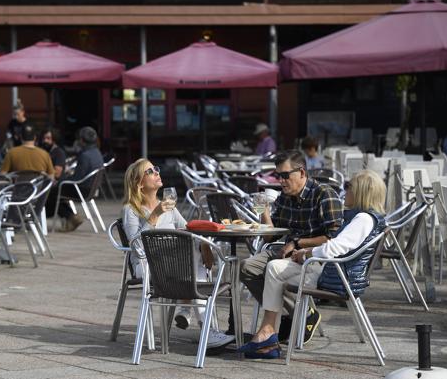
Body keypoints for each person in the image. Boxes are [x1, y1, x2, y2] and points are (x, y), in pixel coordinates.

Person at [238, 170, 386, 359]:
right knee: (274, 267)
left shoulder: (363, 219)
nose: (344, 191)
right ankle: (268, 333)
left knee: (273, 272)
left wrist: (307, 253)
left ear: (362, 192)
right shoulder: (361, 216)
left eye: (348, 186)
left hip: (337, 276)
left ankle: (268, 336)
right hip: (333, 269)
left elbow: (336, 247)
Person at [121, 158, 235, 349]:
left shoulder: (168, 207)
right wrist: (155, 215)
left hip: (175, 266)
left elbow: (189, 230)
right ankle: (207, 329)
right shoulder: (131, 210)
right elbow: (137, 247)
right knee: (194, 264)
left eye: (156, 168)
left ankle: (193, 314)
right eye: (150, 171)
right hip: (148, 268)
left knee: (194, 250)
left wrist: (203, 239)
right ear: (139, 184)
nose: (157, 172)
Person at [240, 150, 343, 344]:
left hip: (313, 258)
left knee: (274, 271)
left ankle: (275, 325)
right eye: (278, 176)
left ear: (302, 172)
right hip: (283, 253)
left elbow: (334, 238)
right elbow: (272, 235)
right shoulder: (285, 197)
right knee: (246, 267)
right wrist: (263, 212)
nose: (281, 181)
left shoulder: (324, 194)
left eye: (285, 175)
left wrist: (297, 243)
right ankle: (300, 313)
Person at [46, 127, 104, 232]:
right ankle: (71, 217)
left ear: (81, 140)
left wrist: (63, 179)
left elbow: (77, 178)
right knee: (58, 191)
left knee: (53, 191)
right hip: (91, 188)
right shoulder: (96, 152)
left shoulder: (85, 156)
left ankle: (69, 217)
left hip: (82, 189)